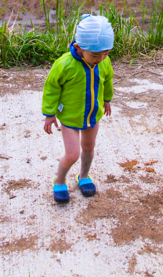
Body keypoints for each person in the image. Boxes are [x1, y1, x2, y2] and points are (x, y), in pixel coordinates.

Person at [43, 14, 114, 204]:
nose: (101, 59)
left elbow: (107, 80)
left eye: (106, 53)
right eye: (95, 55)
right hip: (70, 117)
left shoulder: (104, 62)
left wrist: (107, 98)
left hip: (92, 115)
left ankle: (83, 177)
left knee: (89, 148)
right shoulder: (65, 64)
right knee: (73, 154)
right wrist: (49, 114)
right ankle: (59, 180)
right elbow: (51, 88)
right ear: (78, 47)